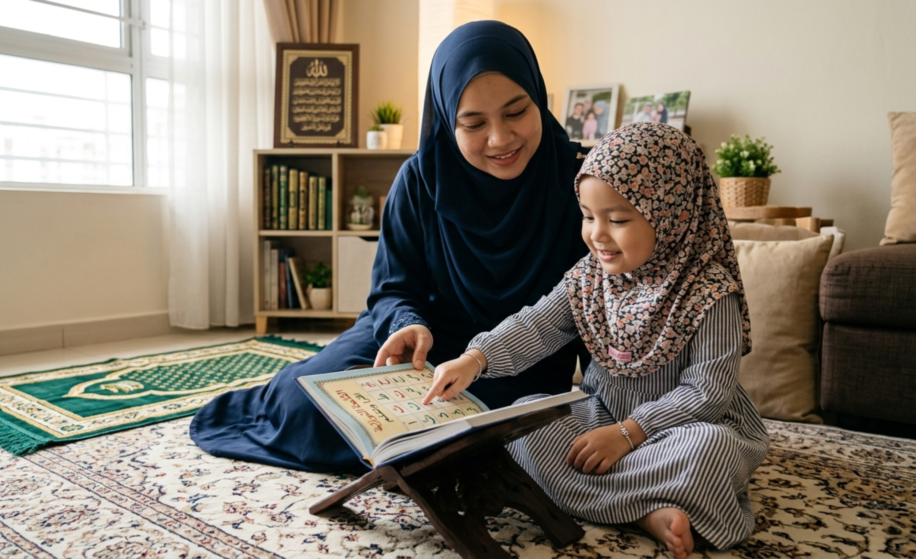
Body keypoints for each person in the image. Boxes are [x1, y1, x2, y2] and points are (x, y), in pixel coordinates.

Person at [189, 20, 592, 474]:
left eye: (517, 112)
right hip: (422, 348)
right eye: (473, 123)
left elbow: (601, 304)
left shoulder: (581, 182)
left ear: (538, 97)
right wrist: (406, 324)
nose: (499, 139)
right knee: (301, 403)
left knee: (500, 432)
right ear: (446, 119)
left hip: (516, 359)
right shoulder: (420, 180)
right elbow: (393, 288)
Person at [421, 122, 769, 558]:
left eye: (618, 220)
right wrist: (475, 359)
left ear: (673, 213)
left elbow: (708, 393)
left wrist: (630, 433)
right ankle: (646, 510)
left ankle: (627, 503)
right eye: (587, 216)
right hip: (602, 415)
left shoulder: (709, 291)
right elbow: (536, 325)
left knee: (709, 452)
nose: (597, 235)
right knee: (520, 425)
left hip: (683, 429)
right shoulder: (590, 277)